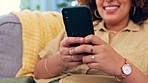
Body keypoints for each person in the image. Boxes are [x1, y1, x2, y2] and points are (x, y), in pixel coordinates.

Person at [34, 0, 148, 83]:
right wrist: (60, 60)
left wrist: (120, 66)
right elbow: (38, 74)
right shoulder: (73, 29)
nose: (108, 0)